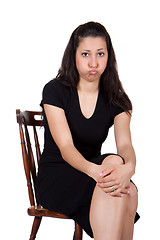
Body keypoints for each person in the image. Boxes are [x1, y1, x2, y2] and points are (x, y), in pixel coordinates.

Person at [36, 21, 140, 240]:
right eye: (85, 54)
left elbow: (125, 145)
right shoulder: (55, 91)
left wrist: (129, 168)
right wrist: (97, 173)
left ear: (108, 57)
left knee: (124, 180)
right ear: (73, 56)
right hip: (58, 175)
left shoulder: (118, 100)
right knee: (120, 185)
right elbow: (65, 147)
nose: (94, 63)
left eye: (100, 54)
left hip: (93, 174)